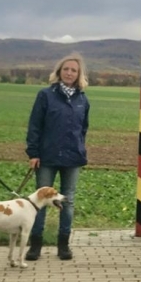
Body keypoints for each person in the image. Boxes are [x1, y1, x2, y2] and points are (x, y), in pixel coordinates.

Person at [25, 53, 90, 261]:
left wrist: (80, 149)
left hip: (73, 158)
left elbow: (83, 129)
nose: (69, 73)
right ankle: (35, 244)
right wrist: (33, 153)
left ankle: (63, 245)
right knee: (41, 201)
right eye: (66, 69)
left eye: (74, 70)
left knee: (68, 201)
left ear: (79, 74)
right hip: (47, 157)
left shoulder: (82, 99)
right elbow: (35, 125)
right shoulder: (45, 95)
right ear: (59, 72)